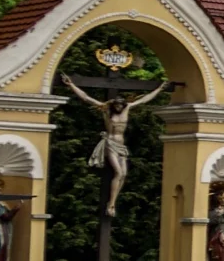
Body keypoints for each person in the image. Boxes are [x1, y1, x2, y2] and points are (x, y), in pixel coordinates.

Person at [63, 76, 167, 213]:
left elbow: (143, 100)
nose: (118, 107)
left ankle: (113, 202)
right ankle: (111, 204)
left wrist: (159, 89)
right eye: (116, 105)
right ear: (113, 105)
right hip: (110, 143)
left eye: (120, 105)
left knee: (124, 174)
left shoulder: (127, 108)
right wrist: (71, 85)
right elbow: (86, 98)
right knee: (118, 172)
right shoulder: (106, 110)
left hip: (121, 145)